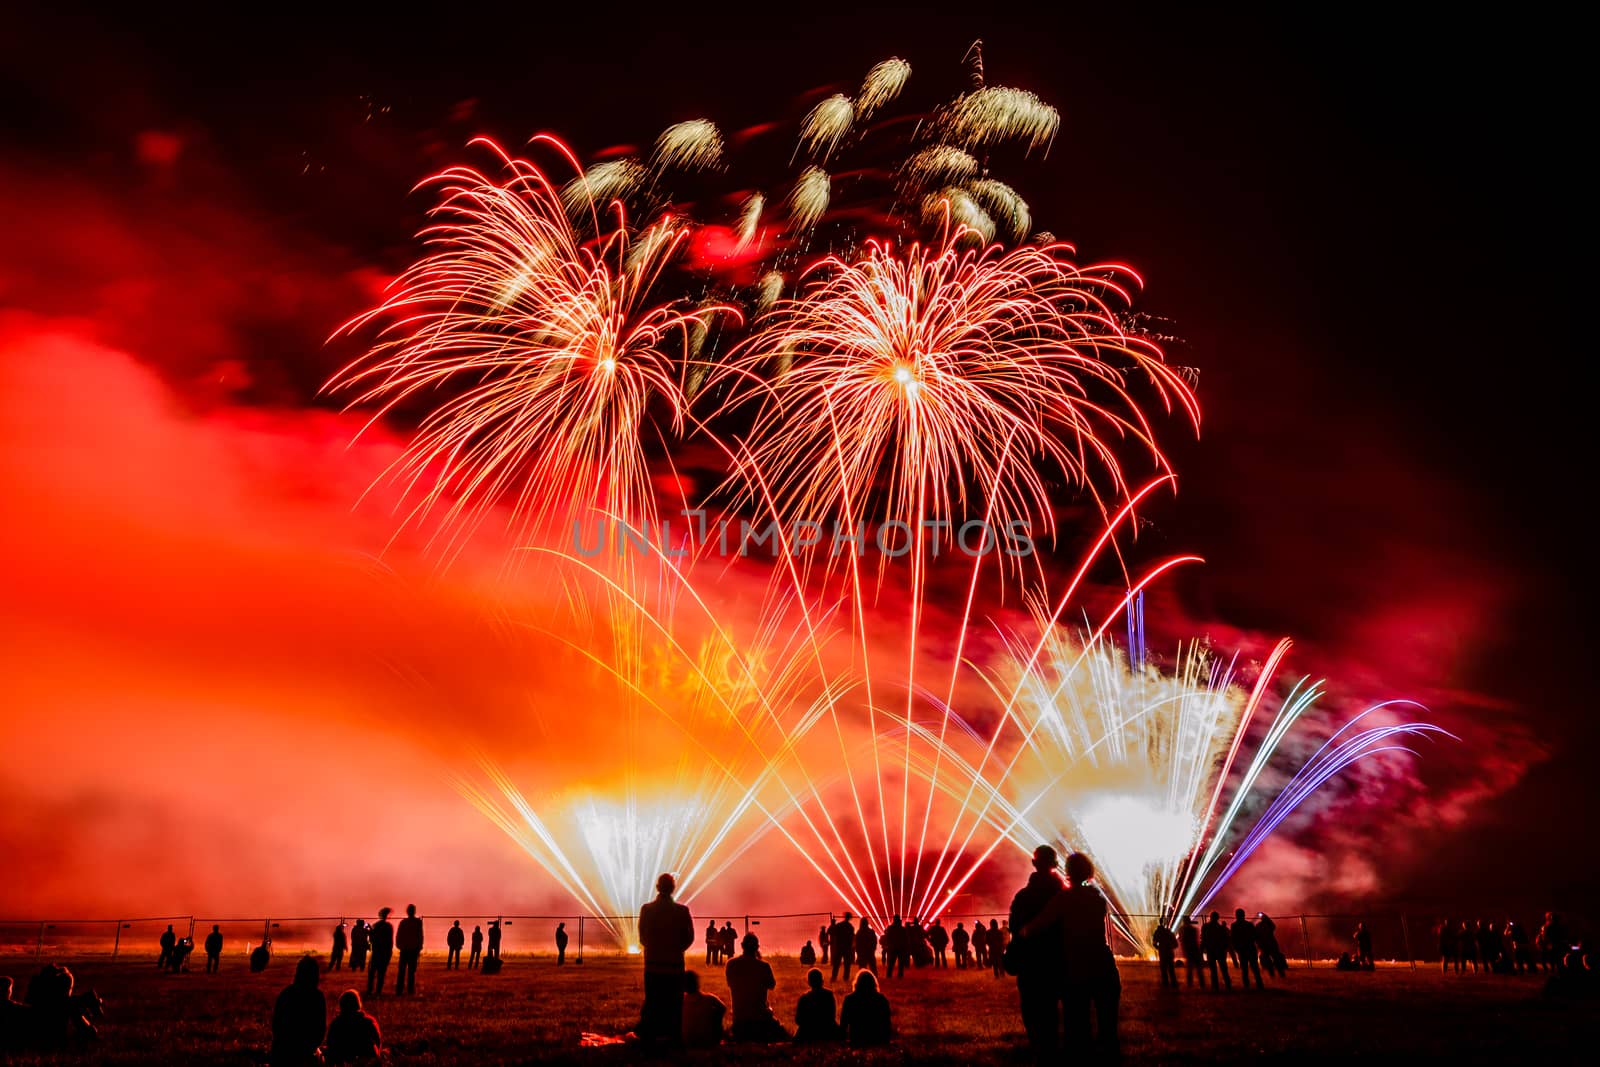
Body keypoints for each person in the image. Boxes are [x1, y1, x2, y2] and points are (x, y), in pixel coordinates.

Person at [1021, 851, 1121, 1059]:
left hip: (1077, 965)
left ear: (1067, 871)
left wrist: (1022, 932)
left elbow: (1038, 924)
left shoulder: (1064, 898)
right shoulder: (1097, 897)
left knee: (1078, 1022)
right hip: (1103, 962)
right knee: (1108, 1023)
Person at [1008, 843, 1069, 1059]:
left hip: (1030, 963)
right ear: (1055, 864)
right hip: (1058, 960)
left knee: (1033, 1011)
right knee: (1056, 1012)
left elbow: (1015, 928)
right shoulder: (1064, 896)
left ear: (1034, 863)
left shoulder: (1023, 896)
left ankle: (1041, 1050)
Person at [637, 873, 694, 1044]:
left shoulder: (646, 909)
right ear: (673, 888)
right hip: (675, 965)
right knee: (674, 1003)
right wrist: (676, 950)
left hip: (653, 965)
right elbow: (689, 937)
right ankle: (673, 1033)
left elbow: (642, 937)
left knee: (653, 1000)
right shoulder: (682, 911)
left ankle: (651, 1033)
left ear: (657, 887)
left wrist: (654, 948)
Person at [725, 933, 789, 1041]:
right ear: (757, 947)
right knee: (783, 1034)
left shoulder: (731, 964)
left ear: (742, 945)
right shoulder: (763, 967)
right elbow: (771, 985)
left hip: (739, 1019)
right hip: (760, 1018)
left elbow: (730, 983)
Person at [270, 956, 326, 1067]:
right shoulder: (317, 997)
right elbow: (319, 1031)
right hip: (305, 1053)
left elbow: (276, 1026)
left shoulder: (286, 994)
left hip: (282, 1052)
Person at [323, 989, 383, 1065]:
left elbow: (330, 1043)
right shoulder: (368, 1021)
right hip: (366, 1058)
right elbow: (378, 1040)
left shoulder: (337, 1023)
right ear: (358, 1003)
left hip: (343, 1058)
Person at [838, 969, 892, 1048]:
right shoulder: (881, 999)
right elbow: (887, 1023)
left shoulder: (850, 999)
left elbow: (844, 1023)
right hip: (877, 1040)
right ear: (874, 983)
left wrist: (843, 1041)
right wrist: (885, 1041)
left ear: (857, 983)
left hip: (857, 1040)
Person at [793, 967, 840, 1043]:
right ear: (822, 981)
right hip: (828, 1031)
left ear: (809, 982)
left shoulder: (804, 998)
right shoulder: (829, 995)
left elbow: (798, 1020)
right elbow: (832, 1016)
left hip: (808, 1033)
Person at [680, 969, 725, 1047]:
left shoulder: (681, 1001)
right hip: (708, 1041)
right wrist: (716, 1019)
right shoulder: (709, 999)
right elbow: (723, 1008)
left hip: (687, 1041)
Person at [394, 905, 423, 995]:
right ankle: (410, 990)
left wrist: (399, 945)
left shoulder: (403, 922)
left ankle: (399, 989)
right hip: (413, 950)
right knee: (411, 971)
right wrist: (419, 947)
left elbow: (398, 935)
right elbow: (420, 936)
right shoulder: (418, 923)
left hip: (405, 950)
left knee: (402, 971)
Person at [366, 908, 394, 998]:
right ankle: (378, 991)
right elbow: (390, 942)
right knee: (381, 973)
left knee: (371, 972)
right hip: (384, 952)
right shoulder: (389, 927)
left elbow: (371, 939)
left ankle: (370, 989)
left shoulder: (375, 926)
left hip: (376, 952)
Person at [1232, 910, 1263, 989]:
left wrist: (1237, 948)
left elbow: (1233, 938)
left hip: (1242, 950)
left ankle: (1247, 985)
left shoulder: (1234, 925)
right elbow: (1256, 936)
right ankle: (1259, 984)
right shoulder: (1249, 925)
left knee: (1244, 969)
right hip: (1250, 948)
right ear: (1244, 915)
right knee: (1255, 968)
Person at [1202, 911, 1232, 990]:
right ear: (1217, 918)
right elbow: (1226, 939)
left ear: (1210, 917)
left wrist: (1202, 949)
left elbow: (1203, 939)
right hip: (1220, 951)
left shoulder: (1206, 927)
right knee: (1224, 969)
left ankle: (1215, 986)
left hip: (1211, 950)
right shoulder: (1221, 928)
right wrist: (1225, 948)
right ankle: (1228, 985)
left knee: (1213, 971)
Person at [828, 913, 856, 982]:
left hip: (839, 947)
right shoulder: (850, 927)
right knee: (847, 964)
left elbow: (830, 932)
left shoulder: (839, 925)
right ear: (850, 918)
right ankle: (846, 978)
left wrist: (832, 925)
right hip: (847, 948)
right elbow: (852, 937)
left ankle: (834, 977)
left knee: (836, 964)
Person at [1153, 920, 1179, 989]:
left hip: (1162, 952)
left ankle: (1165, 983)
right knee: (1171, 969)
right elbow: (1176, 944)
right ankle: (1173, 983)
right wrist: (1170, 947)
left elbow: (1154, 943)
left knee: (1163, 969)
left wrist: (1159, 948)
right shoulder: (1169, 932)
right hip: (1170, 952)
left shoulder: (1157, 932)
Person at [1257, 914, 1285, 978]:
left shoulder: (1259, 925)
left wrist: (1259, 944)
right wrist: (1267, 918)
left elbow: (1256, 935)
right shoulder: (1268, 924)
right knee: (1276, 959)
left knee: (1269, 960)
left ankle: (1272, 973)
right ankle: (1280, 973)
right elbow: (1273, 927)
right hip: (1271, 944)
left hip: (1265, 945)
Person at [1181, 916, 1204, 988]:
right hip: (1195, 950)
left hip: (1190, 951)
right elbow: (1196, 940)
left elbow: (1183, 941)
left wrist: (1184, 951)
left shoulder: (1183, 930)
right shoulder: (1193, 929)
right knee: (1198, 969)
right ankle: (1201, 983)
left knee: (1190, 969)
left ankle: (1190, 984)